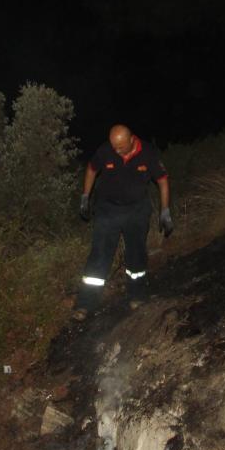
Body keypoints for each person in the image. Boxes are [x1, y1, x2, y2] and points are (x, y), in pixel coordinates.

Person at [74, 124, 172, 319]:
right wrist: (85, 196)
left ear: (131, 140)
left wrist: (165, 210)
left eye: (120, 147)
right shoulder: (105, 150)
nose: (116, 150)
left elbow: (162, 180)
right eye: (113, 146)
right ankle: (85, 304)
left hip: (136, 210)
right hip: (107, 209)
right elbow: (92, 169)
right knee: (99, 254)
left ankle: (137, 295)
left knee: (136, 253)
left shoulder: (147, 153)